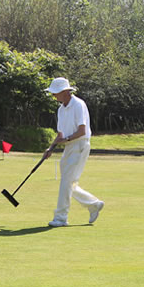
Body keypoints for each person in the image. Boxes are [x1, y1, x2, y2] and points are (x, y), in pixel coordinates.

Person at [42, 77, 104, 227]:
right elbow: (60, 135)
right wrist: (50, 148)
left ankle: (61, 217)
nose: (53, 96)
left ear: (65, 92)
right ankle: (93, 204)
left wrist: (67, 140)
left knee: (66, 181)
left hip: (80, 145)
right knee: (69, 182)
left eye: (55, 93)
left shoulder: (78, 105)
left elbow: (82, 131)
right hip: (70, 146)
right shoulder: (61, 109)